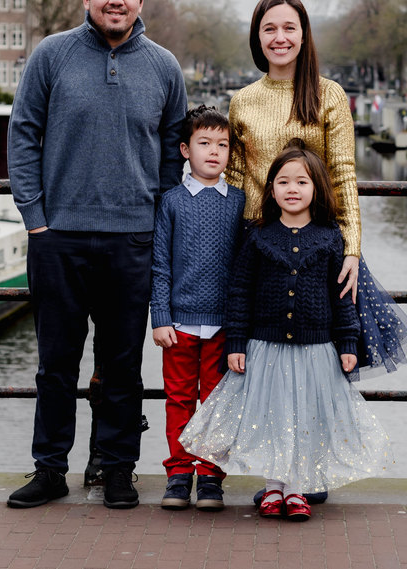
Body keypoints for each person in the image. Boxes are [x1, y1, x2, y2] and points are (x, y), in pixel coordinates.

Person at [6, 0, 188, 510]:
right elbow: (23, 136)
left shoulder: (164, 67)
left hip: (131, 241)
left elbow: (171, 156)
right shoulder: (51, 56)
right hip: (57, 239)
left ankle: (117, 469)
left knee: (123, 365)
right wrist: (35, 220)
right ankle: (50, 468)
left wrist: (156, 226)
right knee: (56, 364)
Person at [179, 141, 393, 521]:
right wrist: (236, 342)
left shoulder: (330, 238)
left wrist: (347, 342)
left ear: (317, 189)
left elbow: (342, 296)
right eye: (283, 182)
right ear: (271, 189)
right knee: (274, 417)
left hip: (316, 349)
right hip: (266, 347)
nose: (292, 189)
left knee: (305, 417)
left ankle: (297, 488)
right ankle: (273, 487)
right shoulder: (259, 236)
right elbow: (240, 292)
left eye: (302, 182)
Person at [225, 0, 407, 379]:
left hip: (316, 242)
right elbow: (234, 179)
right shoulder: (242, 101)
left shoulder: (328, 94)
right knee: (259, 361)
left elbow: (343, 171)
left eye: (289, 28)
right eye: (269, 29)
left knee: (322, 363)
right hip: (258, 242)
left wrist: (352, 247)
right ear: (256, 37)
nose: (279, 38)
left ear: (303, 34)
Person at [149, 105, 245, 511]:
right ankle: (178, 474)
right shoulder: (171, 202)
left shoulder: (238, 202)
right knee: (180, 401)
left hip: (222, 326)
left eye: (222, 145)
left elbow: (243, 271)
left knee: (218, 404)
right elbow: (160, 264)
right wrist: (160, 317)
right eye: (204, 143)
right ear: (185, 150)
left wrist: (241, 327)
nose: (214, 151)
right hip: (179, 327)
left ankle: (210, 477)